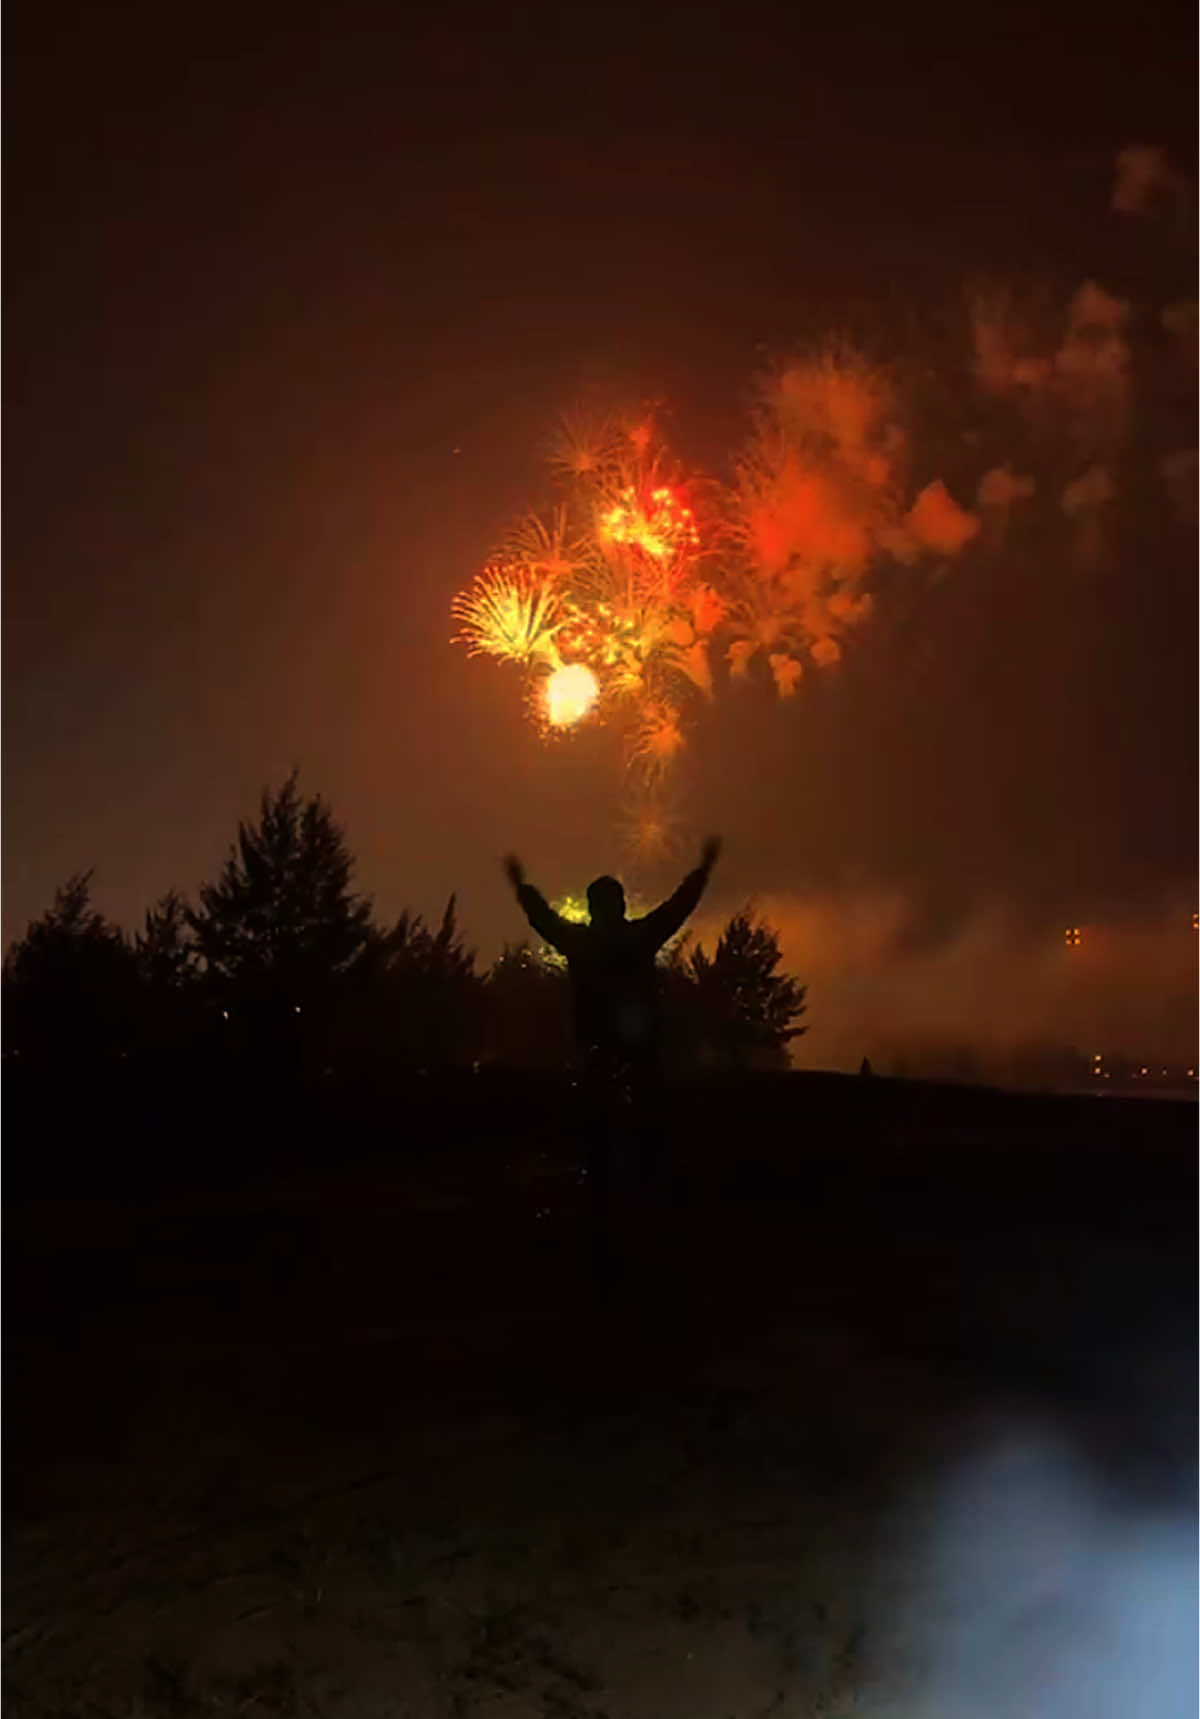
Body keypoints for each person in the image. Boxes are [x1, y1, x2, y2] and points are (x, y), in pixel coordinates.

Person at [502, 838, 721, 1209]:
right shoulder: (640, 937)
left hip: (596, 1044)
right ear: (620, 906)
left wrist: (521, 885)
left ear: (592, 908)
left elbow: (543, 918)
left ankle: (604, 1189)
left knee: (598, 1123)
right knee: (644, 1118)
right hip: (638, 1044)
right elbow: (678, 908)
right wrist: (703, 871)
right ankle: (645, 1186)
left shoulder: (580, 942)